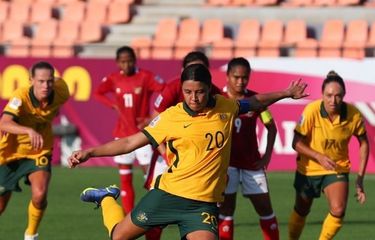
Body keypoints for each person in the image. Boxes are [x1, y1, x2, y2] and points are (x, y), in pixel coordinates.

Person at [68, 64, 308, 240]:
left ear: (209, 89)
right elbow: (131, 142)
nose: (194, 98)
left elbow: (255, 102)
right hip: (167, 196)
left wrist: (286, 93)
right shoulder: (171, 117)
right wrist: (91, 152)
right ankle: (107, 197)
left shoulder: (226, 107)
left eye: (200, 91)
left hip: (202, 206)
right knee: (117, 237)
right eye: (188, 91)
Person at [144, 51, 219, 240]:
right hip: (167, 157)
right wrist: (164, 154)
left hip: (197, 163)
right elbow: (154, 119)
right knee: (153, 216)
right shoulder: (171, 87)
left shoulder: (216, 93)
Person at [288, 71, 369, 240]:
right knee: (301, 210)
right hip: (308, 169)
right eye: (329, 95)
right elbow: (296, 142)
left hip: (337, 168)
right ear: (322, 95)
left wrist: (360, 178)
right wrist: (318, 156)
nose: (333, 100)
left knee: (338, 210)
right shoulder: (311, 110)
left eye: (338, 96)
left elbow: (364, 143)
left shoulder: (353, 114)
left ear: (344, 95)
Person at [0, 61, 70, 240]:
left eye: (49, 81)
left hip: (39, 150)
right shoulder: (20, 96)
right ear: (31, 80)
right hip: (10, 152)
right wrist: (28, 130)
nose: (45, 86)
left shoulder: (62, 91)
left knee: (39, 195)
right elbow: (4, 123)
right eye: (40, 81)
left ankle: (31, 235)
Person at [94, 46, 165, 214]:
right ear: (118, 62)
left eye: (129, 61)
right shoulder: (113, 78)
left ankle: (154, 212)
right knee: (125, 178)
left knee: (151, 177)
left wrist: (150, 118)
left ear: (135, 60)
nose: (126, 65)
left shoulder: (146, 76)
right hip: (122, 134)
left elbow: (164, 90)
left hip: (143, 135)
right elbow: (98, 93)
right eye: (123, 62)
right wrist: (112, 105)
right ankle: (129, 215)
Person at [218, 58, 279, 240]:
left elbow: (271, 127)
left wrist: (267, 156)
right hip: (226, 166)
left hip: (252, 165)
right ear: (227, 76)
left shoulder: (256, 100)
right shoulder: (218, 99)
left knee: (265, 210)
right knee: (226, 212)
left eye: (245, 78)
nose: (240, 81)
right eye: (236, 77)